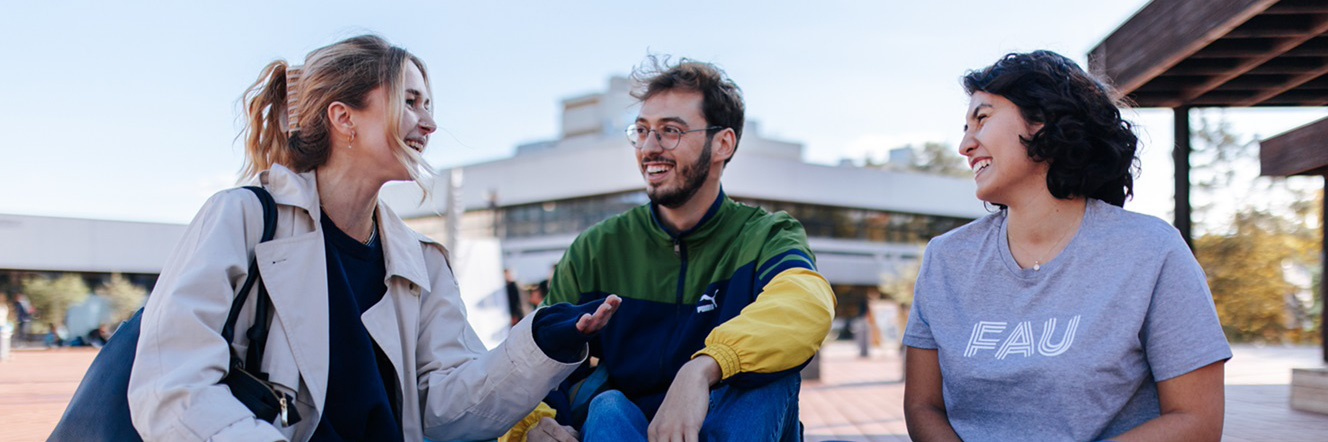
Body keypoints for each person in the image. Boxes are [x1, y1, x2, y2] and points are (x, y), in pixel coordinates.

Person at [127, 35, 620, 441]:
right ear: (344, 118)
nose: (430, 123)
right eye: (410, 102)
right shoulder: (242, 218)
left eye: (428, 105)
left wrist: (539, 344)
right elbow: (173, 386)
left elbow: (442, 412)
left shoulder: (423, 261)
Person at [902, 50, 1231, 442]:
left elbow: (1197, 420)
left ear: (1043, 120)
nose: (964, 145)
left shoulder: (1152, 251)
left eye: (982, 119)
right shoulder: (946, 258)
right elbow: (923, 406)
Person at [529, 56, 836, 441]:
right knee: (606, 408)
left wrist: (704, 368)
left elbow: (806, 306)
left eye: (670, 131)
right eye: (642, 131)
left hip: (733, 421)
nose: (649, 147)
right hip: (632, 429)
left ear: (722, 143)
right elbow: (543, 355)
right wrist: (537, 423)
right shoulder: (597, 248)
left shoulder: (766, 235)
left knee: (768, 379)